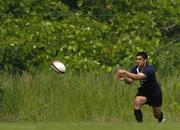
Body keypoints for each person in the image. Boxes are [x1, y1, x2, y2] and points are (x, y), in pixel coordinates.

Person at [116, 51, 165, 123]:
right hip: (144, 92)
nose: (137, 61)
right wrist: (125, 78)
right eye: (136, 59)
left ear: (145, 60)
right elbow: (130, 81)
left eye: (140, 59)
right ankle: (140, 125)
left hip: (154, 93)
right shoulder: (135, 68)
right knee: (137, 102)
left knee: (156, 115)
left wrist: (124, 72)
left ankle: (161, 119)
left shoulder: (150, 69)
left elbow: (137, 77)